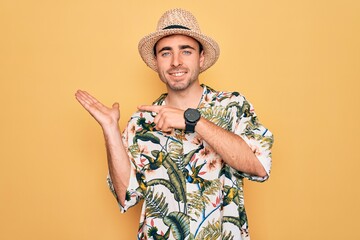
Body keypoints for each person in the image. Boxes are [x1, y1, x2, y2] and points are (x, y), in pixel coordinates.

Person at [75, 8, 273, 240]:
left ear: (200, 58)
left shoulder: (233, 106)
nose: (176, 62)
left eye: (186, 51)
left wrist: (194, 120)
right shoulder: (141, 124)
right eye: (166, 53)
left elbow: (259, 166)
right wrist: (110, 129)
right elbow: (125, 195)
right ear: (157, 63)